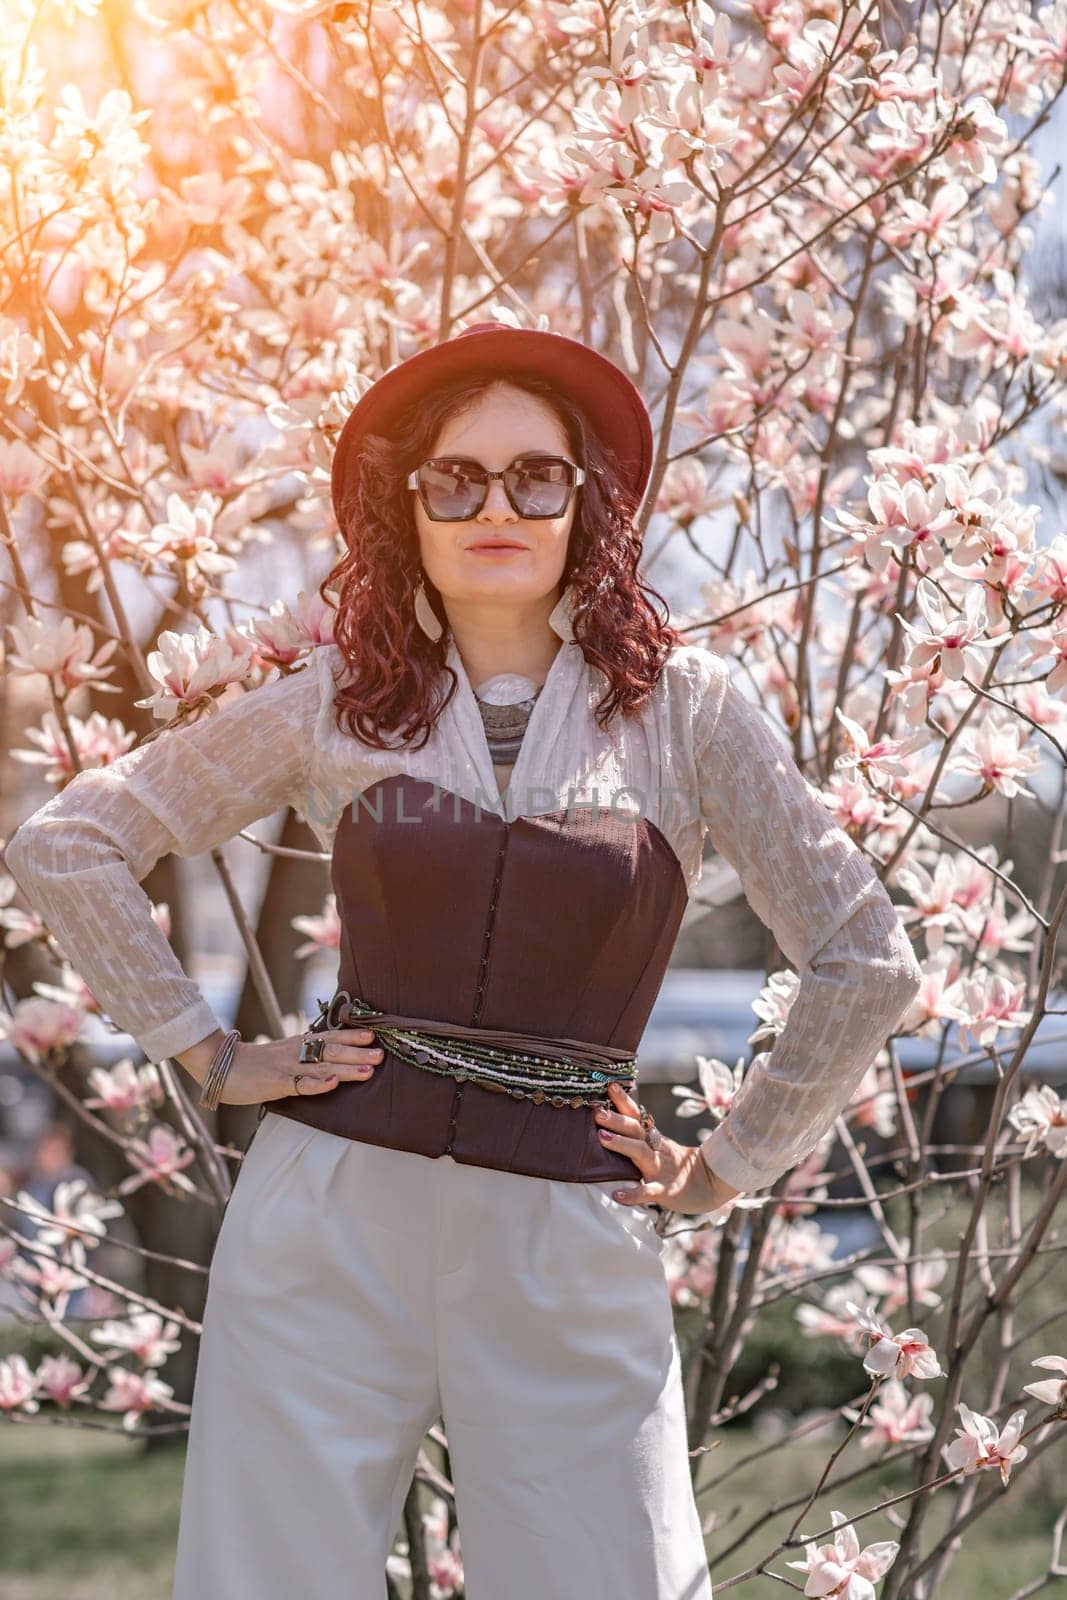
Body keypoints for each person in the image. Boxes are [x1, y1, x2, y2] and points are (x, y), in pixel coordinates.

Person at [3, 320, 924, 1599]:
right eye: (455, 478)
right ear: (409, 510)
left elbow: (865, 955)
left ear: (583, 506)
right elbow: (69, 840)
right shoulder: (333, 701)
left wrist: (729, 1163)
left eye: (535, 475)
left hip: (567, 1225)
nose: (497, 504)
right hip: (327, 1213)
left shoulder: (689, 712)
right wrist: (207, 1053)